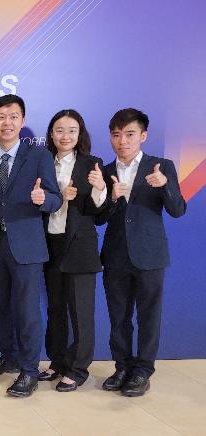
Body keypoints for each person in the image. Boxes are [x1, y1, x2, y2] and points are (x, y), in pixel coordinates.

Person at [0, 94, 61, 397]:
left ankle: (29, 370)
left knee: (26, 310)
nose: (6, 122)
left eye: (13, 116)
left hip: (26, 246)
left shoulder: (38, 157)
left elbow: (55, 198)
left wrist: (43, 200)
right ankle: (8, 356)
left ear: (22, 121)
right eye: (0, 116)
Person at [97, 108, 186, 397]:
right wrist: (109, 197)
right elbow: (98, 218)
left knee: (149, 315)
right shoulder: (105, 171)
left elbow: (177, 210)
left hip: (150, 254)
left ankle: (142, 370)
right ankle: (122, 366)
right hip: (115, 254)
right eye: (116, 134)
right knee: (118, 316)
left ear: (143, 136)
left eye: (130, 134)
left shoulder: (161, 166)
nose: (122, 140)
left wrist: (166, 186)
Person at [39, 109, 107, 392]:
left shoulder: (92, 164)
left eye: (71, 130)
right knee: (55, 308)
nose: (65, 136)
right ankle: (57, 360)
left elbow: (99, 214)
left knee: (80, 311)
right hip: (49, 244)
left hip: (79, 247)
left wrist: (100, 189)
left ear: (80, 135)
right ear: (51, 134)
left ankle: (78, 368)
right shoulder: (42, 162)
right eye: (59, 130)